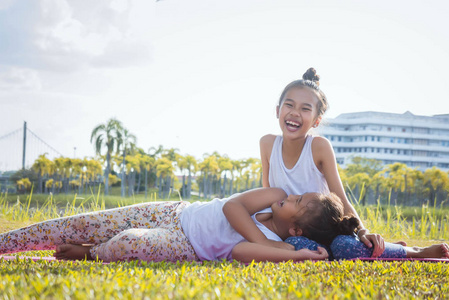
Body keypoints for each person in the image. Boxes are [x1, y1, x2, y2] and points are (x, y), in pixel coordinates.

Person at [0, 188, 356, 263]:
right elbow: (233, 207)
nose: (292, 197)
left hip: (186, 247)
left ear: (296, 230)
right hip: (173, 213)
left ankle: (90, 254)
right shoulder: (274, 194)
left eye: (299, 204)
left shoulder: (282, 247)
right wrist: (272, 243)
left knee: (128, 244)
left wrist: (293, 256)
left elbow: (238, 251)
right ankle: (6, 242)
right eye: (299, 195)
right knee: (80, 222)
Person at [260, 67, 394, 258]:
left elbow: (340, 198)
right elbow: (266, 196)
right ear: (277, 110)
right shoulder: (267, 143)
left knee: (344, 247)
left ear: (316, 120)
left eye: (305, 109)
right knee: (294, 244)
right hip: (287, 233)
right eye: (289, 105)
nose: (295, 113)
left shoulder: (319, 147)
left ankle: (411, 251)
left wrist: (362, 230)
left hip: (323, 232)